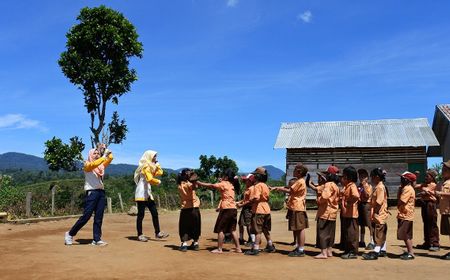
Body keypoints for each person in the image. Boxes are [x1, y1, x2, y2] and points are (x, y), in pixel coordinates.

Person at [64, 145, 113, 246]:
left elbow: (110, 158)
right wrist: (103, 156)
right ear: (90, 154)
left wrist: (106, 150)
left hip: (101, 192)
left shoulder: (101, 166)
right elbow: (93, 165)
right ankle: (70, 234)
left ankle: (96, 239)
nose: (96, 155)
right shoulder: (87, 165)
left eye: (97, 153)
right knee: (86, 215)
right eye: (94, 153)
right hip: (92, 192)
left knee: (99, 217)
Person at [196, 169, 242, 253]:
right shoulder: (232, 184)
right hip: (233, 208)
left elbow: (211, 185)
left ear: (226, 177)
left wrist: (199, 183)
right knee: (232, 230)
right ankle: (238, 248)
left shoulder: (223, 184)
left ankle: (219, 249)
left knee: (220, 229)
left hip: (226, 209)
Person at [272, 163, 309, 257]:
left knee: (300, 229)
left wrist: (279, 188)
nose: (293, 171)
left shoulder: (300, 181)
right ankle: (299, 248)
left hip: (298, 207)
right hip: (296, 207)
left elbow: (290, 190)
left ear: (299, 172)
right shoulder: (299, 181)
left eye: (295, 169)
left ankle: (301, 249)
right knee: (298, 228)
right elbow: (290, 188)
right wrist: (277, 188)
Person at [134, 150, 169, 242]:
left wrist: (157, 165)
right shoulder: (145, 166)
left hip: (148, 193)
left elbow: (160, 172)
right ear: (149, 156)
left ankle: (158, 233)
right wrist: (158, 182)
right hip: (141, 193)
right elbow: (149, 179)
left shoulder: (151, 166)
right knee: (141, 215)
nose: (155, 158)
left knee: (155, 213)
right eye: (154, 156)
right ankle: (140, 234)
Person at [244, 167, 275, 256]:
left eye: (254, 175)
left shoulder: (257, 186)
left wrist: (249, 201)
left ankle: (256, 248)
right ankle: (270, 245)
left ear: (257, 176)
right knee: (265, 228)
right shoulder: (265, 185)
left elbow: (256, 197)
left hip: (259, 209)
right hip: (266, 209)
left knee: (257, 230)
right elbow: (267, 197)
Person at [362, 168, 389, 260]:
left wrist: (373, 210)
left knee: (378, 232)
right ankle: (383, 250)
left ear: (377, 177)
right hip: (379, 213)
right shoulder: (378, 186)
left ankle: (376, 252)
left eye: (372, 177)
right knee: (381, 232)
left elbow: (379, 201)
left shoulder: (380, 187)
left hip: (379, 213)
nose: (371, 179)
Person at [314, 171, 340, 259]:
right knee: (330, 233)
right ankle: (329, 251)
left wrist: (318, 200)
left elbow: (325, 196)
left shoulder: (328, 184)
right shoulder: (336, 186)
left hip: (325, 212)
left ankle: (323, 252)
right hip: (333, 212)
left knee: (323, 232)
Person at [415, 169, 440, 251]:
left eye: (427, 176)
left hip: (430, 204)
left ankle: (435, 243)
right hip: (425, 204)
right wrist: (415, 177)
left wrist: (424, 192)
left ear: (432, 177)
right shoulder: (425, 184)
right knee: (426, 223)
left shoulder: (433, 185)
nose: (426, 177)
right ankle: (427, 242)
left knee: (432, 223)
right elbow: (414, 186)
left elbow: (429, 193)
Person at [177, 169, 201, 252]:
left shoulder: (180, 184)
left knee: (184, 227)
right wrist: (194, 178)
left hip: (185, 208)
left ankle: (184, 244)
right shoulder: (189, 184)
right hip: (194, 208)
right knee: (195, 225)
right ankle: (195, 243)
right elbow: (195, 186)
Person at [339, 166, 360, 259]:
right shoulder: (346, 186)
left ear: (349, 177)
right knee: (347, 233)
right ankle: (348, 250)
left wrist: (348, 202)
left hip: (352, 214)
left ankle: (353, 252)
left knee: (352, 233)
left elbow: (356, 196)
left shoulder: (352, 186)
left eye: (344, 175)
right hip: (347, 214)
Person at [396, 171, 416, 260]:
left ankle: (410, 252)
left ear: (406, 180)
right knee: (407, 234)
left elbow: (401, 201)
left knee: (405, 235)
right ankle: (410, 251)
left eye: (402, 178)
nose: (400, 179)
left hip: (405, 215)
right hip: (406, 214)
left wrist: (398, 203)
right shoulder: (406, 188)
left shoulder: (407, 189)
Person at [237, 174, 256, 246]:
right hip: (245, 208)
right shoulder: (247, 188)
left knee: (249, 224)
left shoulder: (252, 189)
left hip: (249, 208)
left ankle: (252, 240)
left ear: (251, 181)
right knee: (241, 223)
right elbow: (245, 199)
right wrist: (240, 202)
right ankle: (241, 238)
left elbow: (250, 201)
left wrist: (241, 204)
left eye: (247, 180)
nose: (245, 181)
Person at [436, 160, 450, 260]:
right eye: (443, 169)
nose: (443, 171)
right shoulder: (444, 182)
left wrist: (440, 193)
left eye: (445, 169)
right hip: (445, 211)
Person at [357, 169, 374, 250]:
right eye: (360, 176)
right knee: (361, 224)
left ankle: (372, 241)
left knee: (369, 224)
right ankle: (362, 241)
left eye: (363, 176)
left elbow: (367, 195)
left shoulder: (368, 186)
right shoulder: (359, 186)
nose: (361, 178)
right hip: (360, 205)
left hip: (366, 205)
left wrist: (364, 185)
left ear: (367, 178)